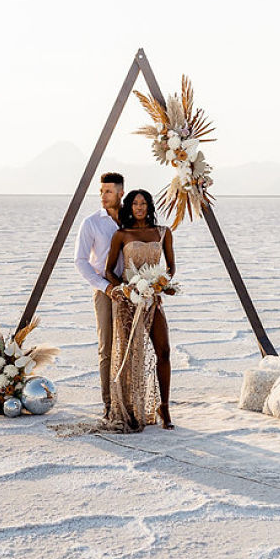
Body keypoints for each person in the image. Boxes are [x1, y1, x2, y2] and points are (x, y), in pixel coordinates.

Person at [104, 189, 175, 431]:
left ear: (149, 206)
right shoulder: (121, 235)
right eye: (135, 203)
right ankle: (129, 408)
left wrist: (161, 284)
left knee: (163, 350)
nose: (139, 207)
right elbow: (109, 271)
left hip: (153, 300)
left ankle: (163, 406)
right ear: (129, 207)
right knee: (129, 357)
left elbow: (171, 268)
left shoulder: (163, 233)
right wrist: (125, 290)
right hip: (128, 303)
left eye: (143, 203)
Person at [74, 172, 124, 419]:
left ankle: (130, 398)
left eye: (108, 191)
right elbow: (80, 261)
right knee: (106, 347)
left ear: (120, 193)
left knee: (131, 347)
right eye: (101, 191)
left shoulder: (132, 219)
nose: (103, 196)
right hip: (104, 291)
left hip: (132, 291)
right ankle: (109, 404)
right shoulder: (91, 222)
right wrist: (104, 286)